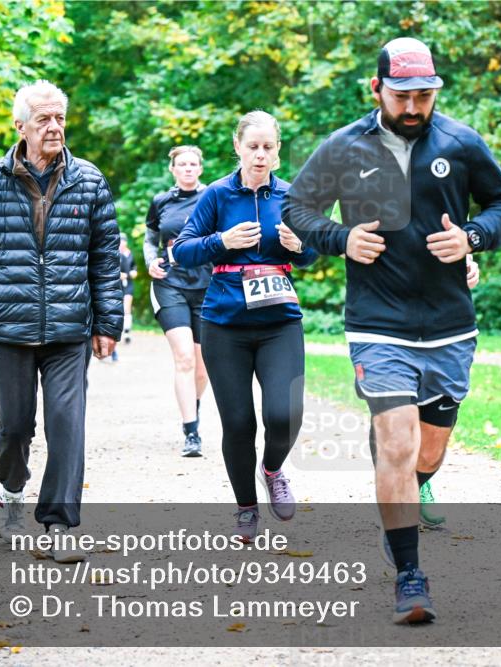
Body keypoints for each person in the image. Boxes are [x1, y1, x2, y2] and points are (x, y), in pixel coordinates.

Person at [283, 38, 501, 624]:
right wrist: (341, 238)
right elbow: (297, 208)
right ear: (377, 89)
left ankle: (404, 498)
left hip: (449, 325)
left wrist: (473, 237)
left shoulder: (461, 143)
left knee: (426, 452)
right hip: (378, 323)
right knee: (395, 443)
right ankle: (410, 577)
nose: (413, 107)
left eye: (424, 96)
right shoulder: (344, 146)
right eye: (402, 96)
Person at [0, 80, 123, 563]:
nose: (54, 127)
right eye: (43, 119)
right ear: (20, 126)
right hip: (10, 327)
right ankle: (12, 487)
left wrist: (108, 323)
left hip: (69, 329)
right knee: (15, 429)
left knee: (67, 426)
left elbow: (104, 258)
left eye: (60, 118)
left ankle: (58, 525)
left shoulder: (89, 180)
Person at [172, 111, 318, 542]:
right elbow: (183, 250)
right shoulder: (217, 195)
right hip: (225, 324)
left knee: (285, 414)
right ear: (238, 147)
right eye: (252, 146)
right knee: (238, 424)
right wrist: (222, 241)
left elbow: (313, 254)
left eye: (268, 147)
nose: (260, 155)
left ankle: (272, 470)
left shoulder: (291, 196)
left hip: (279, 322)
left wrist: (301, 246)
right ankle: (246, 508)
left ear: (277, 150)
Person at [144, 146, 211, 456]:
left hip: (207, 285)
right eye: (181, 164)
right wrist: (150, 261)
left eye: (192, 164)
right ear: (172, 169)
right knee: (184, 357)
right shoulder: (161, 201)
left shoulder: (213, 197)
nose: (187, 168)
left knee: (202, 366)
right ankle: (191, 432)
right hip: (169, 283)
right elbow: (150, 238)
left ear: (200, 168)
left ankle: (192, 405)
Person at [113, 235, 137, 361]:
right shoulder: (115, 254)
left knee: (127, 308)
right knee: (119, 309)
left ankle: (127, 332)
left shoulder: (129, 254)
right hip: (118, 285)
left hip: (128, 285)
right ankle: (118, 330)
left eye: (123, 241)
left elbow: (134, 267)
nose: (122, 243)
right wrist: (119, 274)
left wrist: (134, 272)